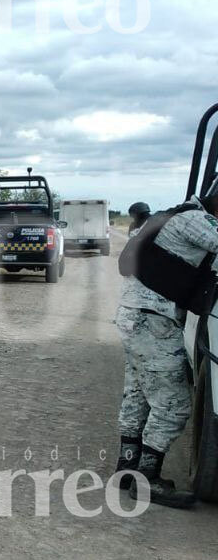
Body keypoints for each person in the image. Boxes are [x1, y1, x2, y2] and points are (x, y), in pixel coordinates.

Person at [114, 186, 218, 508]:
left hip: (134, 316)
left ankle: (127, 468)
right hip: (154, 321)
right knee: (174, 405)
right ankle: (148, 481)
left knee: (138, 394)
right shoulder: (198, 222)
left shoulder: (166, 214)